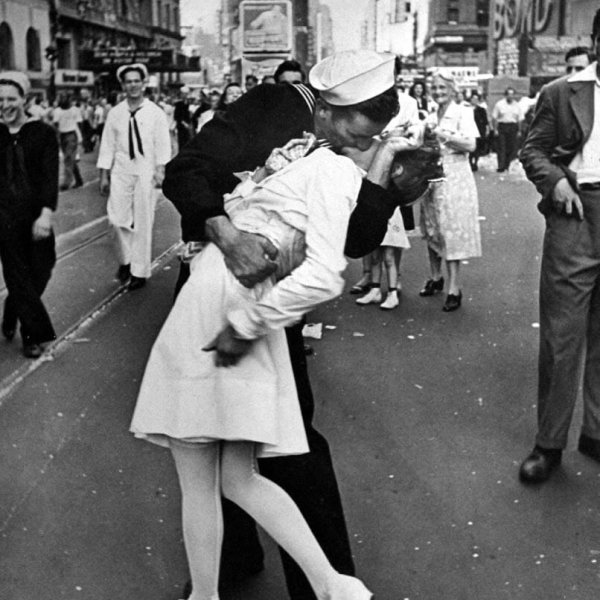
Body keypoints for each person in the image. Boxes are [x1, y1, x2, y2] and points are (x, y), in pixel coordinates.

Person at [162, 50, 410, 600]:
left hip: (270, 305)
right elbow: (185, 172)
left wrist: (388, 188)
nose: (367, 137)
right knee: (229, 446)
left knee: (271, 444)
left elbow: (352, 241)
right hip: (222, 284)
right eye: (362, 123)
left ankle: (319, 584)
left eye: (380, 126)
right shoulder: (274, 103)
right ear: (326, 107)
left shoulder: (355, 151)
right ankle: (238, 565)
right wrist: (229, 236)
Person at [518, 10, 600, 484]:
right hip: (577, 215)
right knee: (562, 337)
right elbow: (532, 150)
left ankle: (596, 431)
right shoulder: (561, 92)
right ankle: (548, 445)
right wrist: (555, 183)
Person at [97, 63, 171, 290]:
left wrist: (160, 170)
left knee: (143, 222)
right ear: (123, 85)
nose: (133, 85)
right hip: (121, 171)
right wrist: (104, 175)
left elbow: (162, 144)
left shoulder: (155, 113)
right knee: (116, 220)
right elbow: (107, 145)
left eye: (136, 81)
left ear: (143, 83)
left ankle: (139, 271)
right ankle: (125, 260)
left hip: (145, 171)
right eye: (128, 82)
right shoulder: (115, 114)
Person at [0, 71, 58, 358]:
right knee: (18, 273)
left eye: (11, 98)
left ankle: (12, 307)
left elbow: (50, 176)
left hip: (35, 214)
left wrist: (46, 214)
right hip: (4, 218)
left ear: (24, 100)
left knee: (43, 268)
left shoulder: (43, 134)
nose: (5, 104)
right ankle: (32, 334)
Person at [418, 71, 481, 312]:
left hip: (455, 177)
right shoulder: (431, 115)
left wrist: (442, 134)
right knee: (432, 228)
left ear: (452, 90)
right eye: (434, 88)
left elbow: (470, 144)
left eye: (443, 88)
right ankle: (436, 277)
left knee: (451, 230)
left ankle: (454, 287)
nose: (438, 92)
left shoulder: (463, 112)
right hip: (432, 176)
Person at [53, 95, 83, 190]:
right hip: (62, 135)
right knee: (70, 159)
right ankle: (79, 179)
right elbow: (55, 124)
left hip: (71, 135)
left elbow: (79, 123)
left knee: (68, 158)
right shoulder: (57, 111)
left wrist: (79, 136)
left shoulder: (75, 110)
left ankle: (67, 182)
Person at [491, 87, 524, 173]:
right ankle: (501, 166)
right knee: (501, 147)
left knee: (511, 147)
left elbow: (520, 119)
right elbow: (494, 117)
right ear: (506, 95)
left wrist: (519, 130)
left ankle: (507, 165)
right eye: (509, 94)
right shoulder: (499, 104)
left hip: (513, 127)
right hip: (502, 126)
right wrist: (495, 129)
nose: (511, 96)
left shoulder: (517, 106)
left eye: (512, 94)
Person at [468, 91, 490, 172]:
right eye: (473, 99)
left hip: (479, 130)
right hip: (469, 131)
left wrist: (487, 130)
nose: (475, 101)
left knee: (477, 147)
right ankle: (470, 162)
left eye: (476, 99)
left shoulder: (481, 110)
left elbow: (485, 121)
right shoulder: (466, 109)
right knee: (470, 148)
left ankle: (475, 162)